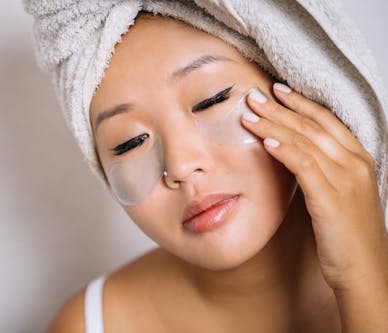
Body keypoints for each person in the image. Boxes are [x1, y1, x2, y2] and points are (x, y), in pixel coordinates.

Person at [43, 10, 388, 333]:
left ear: (298, 89)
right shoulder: (91, 324)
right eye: (129, 142)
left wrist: (363, 279)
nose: (180, 166)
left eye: (211, 100)